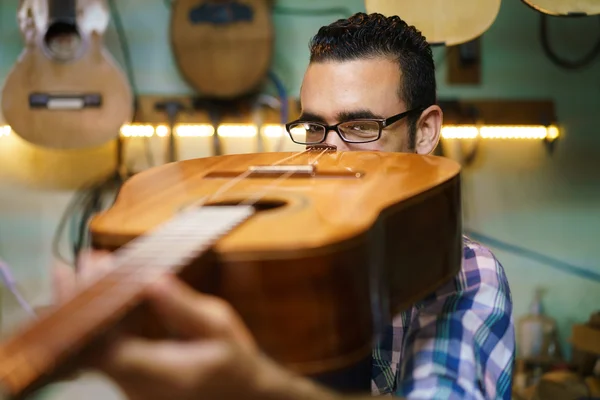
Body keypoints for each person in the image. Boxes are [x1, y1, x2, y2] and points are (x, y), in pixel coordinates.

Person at [52, 12, 515, 400]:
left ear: (426, 132)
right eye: (315, 128)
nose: (329, 152)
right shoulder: (263, 256)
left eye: (359, 128)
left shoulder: (466, 271)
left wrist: (255, 385)